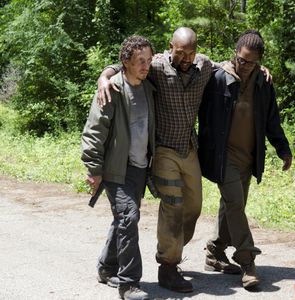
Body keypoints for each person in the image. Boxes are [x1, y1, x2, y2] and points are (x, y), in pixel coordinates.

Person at [97, 27, 216, 293]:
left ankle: (116, 263)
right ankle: (167, 266)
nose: (185, 58)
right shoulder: (158, 68)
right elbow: (125, 63)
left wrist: (256, 69)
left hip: (189, 148)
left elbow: (230, 66)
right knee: (170, 207)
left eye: (191, 53)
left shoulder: (204, 66)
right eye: (180, 52)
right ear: (170, 47)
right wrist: (104, 77)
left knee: (194, 206)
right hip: (163, 151)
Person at [198, 30, 292, 289]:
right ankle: (247, 261)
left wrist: (282, 148)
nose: (244, 65)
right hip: (223, 156)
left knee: (230, 207)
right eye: (241, 59)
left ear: (259, 62)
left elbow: (272, 119)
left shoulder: (264, 83)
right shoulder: (219, 78)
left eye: (251, 62)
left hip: (249, 157)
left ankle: (214, 252)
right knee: (236, 205)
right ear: (235, 55)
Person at [81, 35, 155, 300]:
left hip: (139, 168)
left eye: (148, 60)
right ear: (126, 61)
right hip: (116, 168)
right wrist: (93, 168)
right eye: (140, 61)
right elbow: (93, 132)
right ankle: (128, 284)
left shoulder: (148, 86)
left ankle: (105, 267)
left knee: (123, 219)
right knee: (129, 218)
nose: (146, 66)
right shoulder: (111, 89)